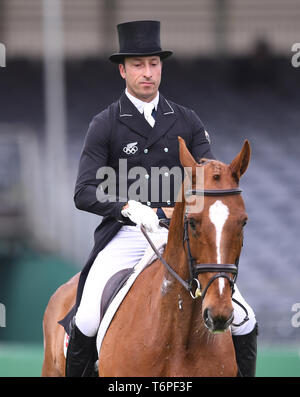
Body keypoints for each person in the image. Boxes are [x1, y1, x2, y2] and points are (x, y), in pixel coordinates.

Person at [64, 20, 258, 377]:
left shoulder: (187, 120)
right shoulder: (105, 124)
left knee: (245, 319)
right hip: (125, 235)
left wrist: (190, 208)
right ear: (123, 70)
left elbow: (209, 178)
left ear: (161, 67)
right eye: (138, 65)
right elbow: (84, 191)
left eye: (153, 64)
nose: (147, 72)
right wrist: (128, 207)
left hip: (182, 236)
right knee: (88, 316)